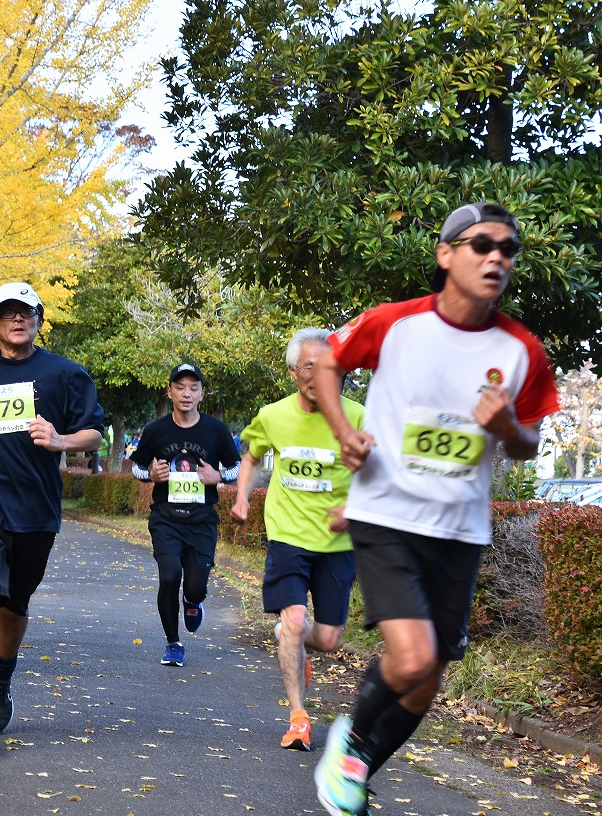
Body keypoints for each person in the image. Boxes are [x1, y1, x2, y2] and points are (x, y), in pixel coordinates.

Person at [310, 202, 559, 816]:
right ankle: (350, 741)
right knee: (413, 656)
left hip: (461, 529)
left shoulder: (522, 348)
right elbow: (325, 362)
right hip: (387, 514)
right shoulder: (396, 324)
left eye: (508, 248)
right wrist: (343, 429)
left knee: (429, 677)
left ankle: (359, 767)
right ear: (446, 254)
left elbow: (527, 445)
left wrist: (505, 426)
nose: (497, 256)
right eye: (482, 244)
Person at [0, 282, 103, 740]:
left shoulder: (65, 374)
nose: (17, 319)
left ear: (39, 320)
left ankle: (0, 680)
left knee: (13, 605)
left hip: (37, 508)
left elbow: (93, 432)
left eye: (25, 312)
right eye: (6, 313)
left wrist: (62, 441)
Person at [230, 327, 365, 752]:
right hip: (288, 535)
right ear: (293, 372)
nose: (321, 374)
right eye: (311, 366)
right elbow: (249, 455)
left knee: (326, 639)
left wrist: (354, 508)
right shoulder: (273, 415)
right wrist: (241, 498)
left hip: (337, 543)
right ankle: (298, 717)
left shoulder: (358, 416)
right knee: (292, 619)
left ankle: (293, 641)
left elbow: (376, 471)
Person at [129, 363, 241, 667]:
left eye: (193, 387)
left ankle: (192, 602)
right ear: (170, 391)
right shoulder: (156, 430)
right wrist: (150, 472)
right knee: (169, 577)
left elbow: (238, 468)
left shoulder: (216, 430)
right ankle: (173, 643)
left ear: (202, 394)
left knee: (194, 586)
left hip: (202, 520)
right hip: (165, 518)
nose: (186, 393)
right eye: (180, 387)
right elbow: (136, 467)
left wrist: (216, 475)